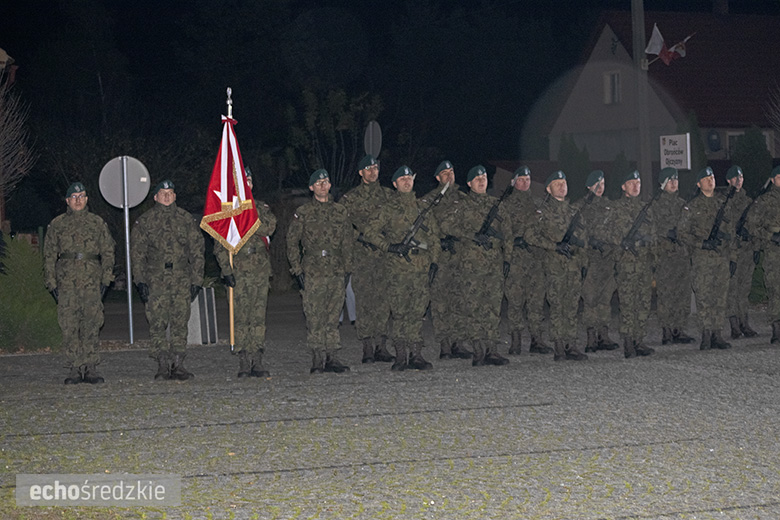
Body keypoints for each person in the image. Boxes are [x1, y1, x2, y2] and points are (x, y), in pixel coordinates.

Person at [363, 165, 439, 370]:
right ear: (395, 184)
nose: (407, 181)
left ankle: (416, 354)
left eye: (409, 178)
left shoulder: (423, 208)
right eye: (402, 178)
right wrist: (389, 246)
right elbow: (369, 231)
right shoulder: (387, 208)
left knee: (417, 312)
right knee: (399, 312)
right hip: (397, 269)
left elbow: (434, 237)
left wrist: (434, 262)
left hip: (421, 268)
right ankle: (401, 355)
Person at [131, 179, 205, 380]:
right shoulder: (145, 221)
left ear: (175, 196)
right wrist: (140, 281)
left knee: (180, 321)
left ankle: (179, 363)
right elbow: (137, 253)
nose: (167, 196)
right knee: (157, 322)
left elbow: (197, 251)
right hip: (156, 278)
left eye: (170, 192)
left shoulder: (186, 219)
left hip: (182, 277)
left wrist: (197, 280)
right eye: (163, 193)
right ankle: (163, 363)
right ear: (155, 197)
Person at [439, 165, 512, 366]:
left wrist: (508, 259)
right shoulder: (461, 205)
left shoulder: (496, 205)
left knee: (493, 307)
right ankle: (478, 350)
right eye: (477, 178)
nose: (481, 181)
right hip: (471, 266)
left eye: (484, 177)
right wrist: (472, 235)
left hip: (494, 265)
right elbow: (445, 226)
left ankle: (492, 349)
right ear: (470, 183)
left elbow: (508, 234)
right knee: (473, 306)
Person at [43, 182, 115, 384]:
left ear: (86, 199)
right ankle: (74, 367)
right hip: (66, 282)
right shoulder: (57, 224)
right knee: (69, 325)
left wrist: (106, 279)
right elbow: (49, 255)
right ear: (67, 201)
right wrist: (51, 283)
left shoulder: (97, 223)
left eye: (81, 196)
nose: (78, 200)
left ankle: (90, 367)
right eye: (74, 197)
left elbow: (108, 252)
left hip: (92, 280)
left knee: (92, 324)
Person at [287, 169, 353, 374]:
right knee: (314, 315)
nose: (323, 185)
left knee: (333, 315)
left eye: (326, 182)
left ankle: (332, 356)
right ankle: (317, 358)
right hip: (313, 268)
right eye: (319, 183)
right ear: (311, 187)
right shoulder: (304, 212)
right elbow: (291, 241)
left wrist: (347, 269)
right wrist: (297, 270)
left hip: (335, 268)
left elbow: (347, 241)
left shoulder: (340, 211)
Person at [214, 168, 277, 378]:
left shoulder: (261, 207)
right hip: (238, 268)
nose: (246, 184)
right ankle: (243, 360)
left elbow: (269, 228)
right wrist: (226, 270)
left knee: (258, 316)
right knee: (240, 317)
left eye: (248, 180)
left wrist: (248, 213)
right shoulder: (227, 210)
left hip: (259, 269)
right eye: (242, 181)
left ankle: (256, 358)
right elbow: (219, 244)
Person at [527, 171, 587, 361]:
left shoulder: (573, 212)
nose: (562, 186)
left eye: (564, 182)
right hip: (555, 267)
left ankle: (571, 344)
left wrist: (583, 261)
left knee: (571, 306)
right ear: (548, 189)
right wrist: (553, 246)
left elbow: (584, 239)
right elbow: (530, 235)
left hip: (573, 266)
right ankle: (559, 346)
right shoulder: (543, 212)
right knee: (557, 305)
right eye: (557, 183)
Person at [339, 155, 394, 363]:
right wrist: (359, 237)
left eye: (375, 168)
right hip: (362, 257)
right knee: (364, 302)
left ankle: (381, 345)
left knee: (383, 302)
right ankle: (367, 347)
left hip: (384, 257)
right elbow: (342, 227)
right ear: (361, 173)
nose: (373, 172)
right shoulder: (350, 199)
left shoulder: (388, 196)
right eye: (368, 169)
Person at [420, 160, 473, 360]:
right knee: (440, 301)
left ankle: (458, 342)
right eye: (444, 173)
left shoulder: (463, 198)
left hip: (461, 256)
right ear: (437, 178)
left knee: (460, 299)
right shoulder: (429, 200)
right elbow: (424, 228)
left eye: (451, 171)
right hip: (440, 257)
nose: (449, 175)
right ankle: (445, 344)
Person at [677, 167, 734, 350]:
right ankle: (706, 334)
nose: (711, 181)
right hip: (702, 259)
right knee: (704, 297)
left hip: (721, 258)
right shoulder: (692, 207)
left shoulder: (722, 203)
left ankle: (717, 333)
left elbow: (731, 231)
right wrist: (702, 244)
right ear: (699, 184)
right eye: (706, 178)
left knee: (720, 297)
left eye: (712, 177)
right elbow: (682, 233)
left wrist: (731, 254)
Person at [600, 170, 655, 358]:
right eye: (631, 183)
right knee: (628, 303)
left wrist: (649, 247)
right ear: (623, 187)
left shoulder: (645, 209)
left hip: (644, 264)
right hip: (626, 265)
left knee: (644, 303)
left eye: (638, 182)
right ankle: (628, 342)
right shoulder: (615, 209)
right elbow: (603, 231)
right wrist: (621, 241)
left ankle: (639, 339)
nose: (635, 186)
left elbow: (654, 234)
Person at [503, 166, 553, 356]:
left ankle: (536, 339)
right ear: (514, 182)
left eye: (527, 179)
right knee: (515, 301)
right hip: (516, 260)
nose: (524, 183)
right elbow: (504, 232)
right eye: (521, 179)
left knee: (536, 301)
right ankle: (515, 340)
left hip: (536, 259)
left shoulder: (538, 203)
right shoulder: (506, 205)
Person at [651, 167, 696, 345]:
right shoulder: (655, 205)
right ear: (662, 183)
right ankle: (667, 330)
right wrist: (665, 234)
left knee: (682, 293)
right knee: (666, 293)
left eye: (676, 180)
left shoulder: (683, 204)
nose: (674, 183)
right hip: (665, 256)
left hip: (682, 255)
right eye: (670, 180)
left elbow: (690, 228)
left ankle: (679, 328)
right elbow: (652, 229)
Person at [576, 170, 619, 353]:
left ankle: (604, 334)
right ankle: (591, 337)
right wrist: (589, 241)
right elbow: (575, 233)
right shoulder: (579, 207)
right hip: (590, 260)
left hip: (607, 260)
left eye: (602, 184)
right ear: (588, 186)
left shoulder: (610, 206)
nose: (600, 188)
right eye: (596, 184)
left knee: (605, 298)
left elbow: (618, 230)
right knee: (590, 299)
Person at [746, 165, 780, 343]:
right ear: (773, 180)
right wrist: (771, 236)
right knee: (775, 290)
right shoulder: (764, 201)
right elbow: (752, 225)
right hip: (774, 252)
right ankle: (776, 328)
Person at [725, 165, 759, 339]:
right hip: (732, 251)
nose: (739, 181)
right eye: (735, 178)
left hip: (746, 250)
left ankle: (744, 322)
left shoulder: (748, 201)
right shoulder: (725, 201)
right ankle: (734, 325)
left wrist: (755, 243)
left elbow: (755, 225)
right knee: (732, 289)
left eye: (741, 177)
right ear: (729, 181)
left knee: (744, 289)